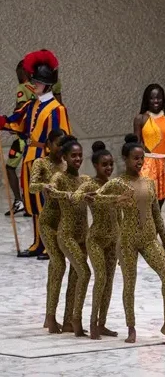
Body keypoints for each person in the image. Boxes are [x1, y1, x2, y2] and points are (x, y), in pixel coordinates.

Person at [91, 135, 165, 346]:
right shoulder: (117, 183)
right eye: (135, 158)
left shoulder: (149, 182)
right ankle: (131, 327)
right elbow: (94, 196)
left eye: (141, 159)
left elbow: (156, 215)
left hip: (148, 238)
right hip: (127, 240)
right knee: (129, 284)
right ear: (125, 159)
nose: (139, 162)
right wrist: (115, 199)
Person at [0, 50, 71, 257]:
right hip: (30, 158)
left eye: (36, 82)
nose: (33, 84)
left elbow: (61, 139)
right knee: (33, 203)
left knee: (48, 204)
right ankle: (38, 243)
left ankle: (53, 245)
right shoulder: (33, 105)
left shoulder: (57, 109)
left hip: (47, 160)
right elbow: (16, 121)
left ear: (46, 84)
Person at [45, 137, 92, 337]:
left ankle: (67, 320)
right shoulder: (59, 178)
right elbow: (52, 190)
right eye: (73, 155)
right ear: (64, 157)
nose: (78, 159)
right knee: (83, 272)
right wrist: (54, 191)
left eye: (80, 155)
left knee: (76, 276)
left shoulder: (84, 180)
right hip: (66, 234)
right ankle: (57, 316)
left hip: (83, 235)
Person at [75, 142, 119, 339]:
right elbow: (74, 197)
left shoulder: (114, 184)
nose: (108, 168)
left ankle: (102, 323)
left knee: (109, 281)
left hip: (113, 239)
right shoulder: (90, 184)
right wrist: (85, 196)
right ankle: (92, 323)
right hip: (96, 239)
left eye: (110, 164)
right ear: (95, 165)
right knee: (100, 278)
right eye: (104, 165)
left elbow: (120, 216)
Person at [30, 130, 73, 332]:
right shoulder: (41, 163)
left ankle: (69, 317)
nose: (60, 147)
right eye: (57, 143)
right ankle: (50, 316)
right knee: (58, 264)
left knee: (73, 266)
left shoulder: (66, 163)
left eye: (63, 143)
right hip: (49, 221)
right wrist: (44, 185)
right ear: (49, 144)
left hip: (67, 221)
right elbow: (31, 186)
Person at [5, 61, 36, 215]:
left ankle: (20, 202)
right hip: (36, 138)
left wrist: (10, 123)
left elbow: (20, 110)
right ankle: (30, 202)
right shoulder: (39, 88)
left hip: (22, 139)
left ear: (24, 71)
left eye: (18, 72)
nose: (17, 75)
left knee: (10, 167)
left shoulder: (22, 88)